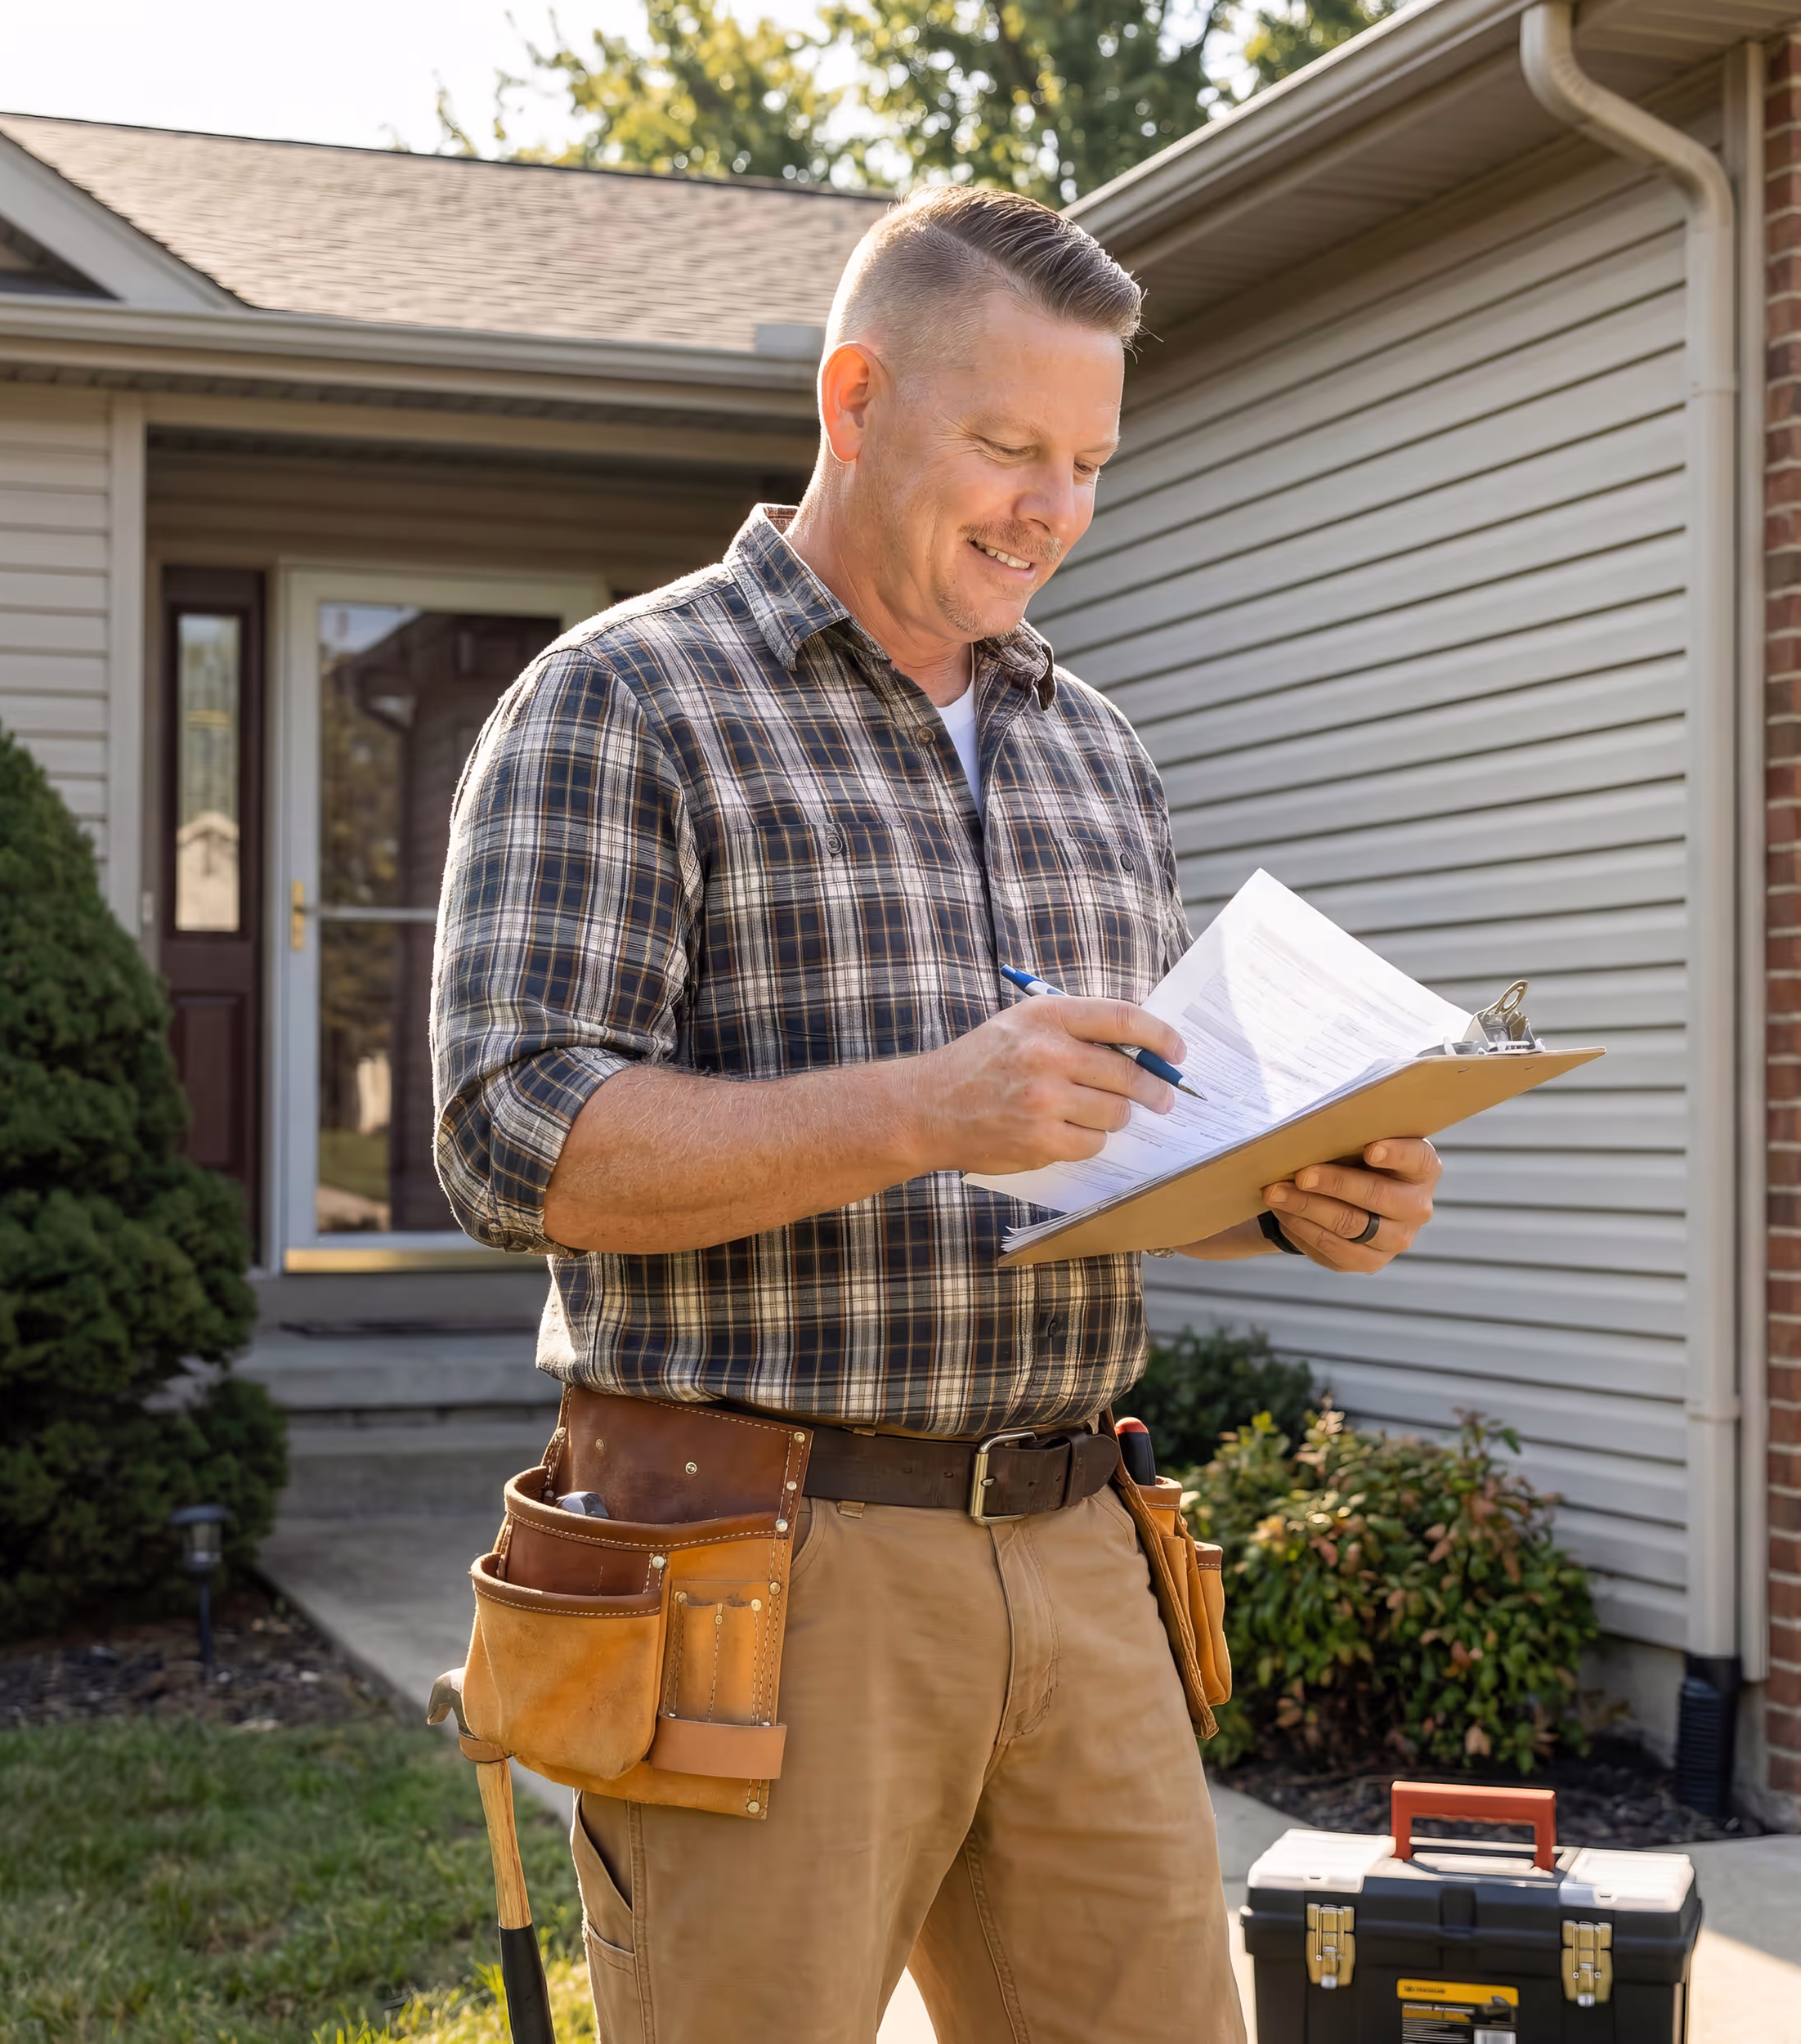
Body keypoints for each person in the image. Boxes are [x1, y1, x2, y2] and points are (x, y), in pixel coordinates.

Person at [432, 184, 1444, 2044]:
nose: (1049, 507)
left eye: (1085, 459)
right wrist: (924, 1106)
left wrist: (1285, 1200)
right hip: (763, 1562)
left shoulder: (1093, 750)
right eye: (1004, 446)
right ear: (853, 397)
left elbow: (1097, 1153)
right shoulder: (623, 703)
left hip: (1079, 1537)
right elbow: (513, 1138)